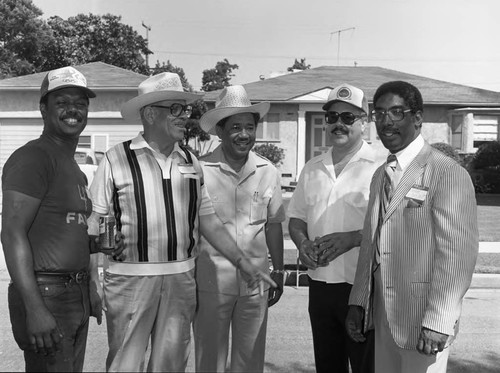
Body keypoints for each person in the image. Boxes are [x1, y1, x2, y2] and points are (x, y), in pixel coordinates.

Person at [88, 73, 276, 372]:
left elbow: (208, 221)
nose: (185, 117)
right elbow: (95, 224)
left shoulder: (191, 161)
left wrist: (243, 261)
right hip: (129, 281)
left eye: (185, 109)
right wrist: (92, 281)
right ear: (150, 113)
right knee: (126, 365)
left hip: (181, 281)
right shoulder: (115, 159)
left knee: (171, 366)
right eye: (176, 109)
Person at [346, 81, 479, 373]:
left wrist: (439, 321)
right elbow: (371, 243)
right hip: (383, 317)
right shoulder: (381, 175)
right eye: (379, 113)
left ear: (417, 118)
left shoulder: (446, 173)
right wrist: (359, 301)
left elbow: (457, 256)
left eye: (396, 112)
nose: (386, 122)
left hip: (423, 322)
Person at [1, 66, 119, 371]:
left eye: (80, 104)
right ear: (43, 108)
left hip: (73, 292)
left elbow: (78, 231)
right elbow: (12, 232)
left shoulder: (74, 168)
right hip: (46, 294)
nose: (73, 110)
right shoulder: (33, 158)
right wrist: (34, 308)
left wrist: (91, 287)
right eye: (62, 102)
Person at [193, 85, 286, 372]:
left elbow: (272, 227)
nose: (243, 134)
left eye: (249, 126)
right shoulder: (199, 170)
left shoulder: (268, 171)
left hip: (255, 283)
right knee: (210, 360)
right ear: (219, 132)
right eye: (235, 127)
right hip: (210, 282)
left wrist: (279, 271)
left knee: (249, 361)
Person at [287, 83, 378, 373]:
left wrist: (354, 238)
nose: (338, 123)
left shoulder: (382, 166)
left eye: (348, 117)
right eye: (332, 117)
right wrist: (302, 245)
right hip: (320, 286)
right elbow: (297, 219)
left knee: (367, 366)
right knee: (328, 365)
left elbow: (395, 227)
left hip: (362, 287)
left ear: (364, 121)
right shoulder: (312, 167)